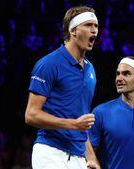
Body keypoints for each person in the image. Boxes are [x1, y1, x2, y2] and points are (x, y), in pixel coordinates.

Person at [24, 5, 100, 169]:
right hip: (50, 152)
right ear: (73, 31)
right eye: (88, 25)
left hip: (79, 157)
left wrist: (91, 158)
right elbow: (31, 115)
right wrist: (73, 124)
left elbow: (82, 121)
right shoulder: (48, 64)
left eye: (96, 26)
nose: (94, 30)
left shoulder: (90, 70)